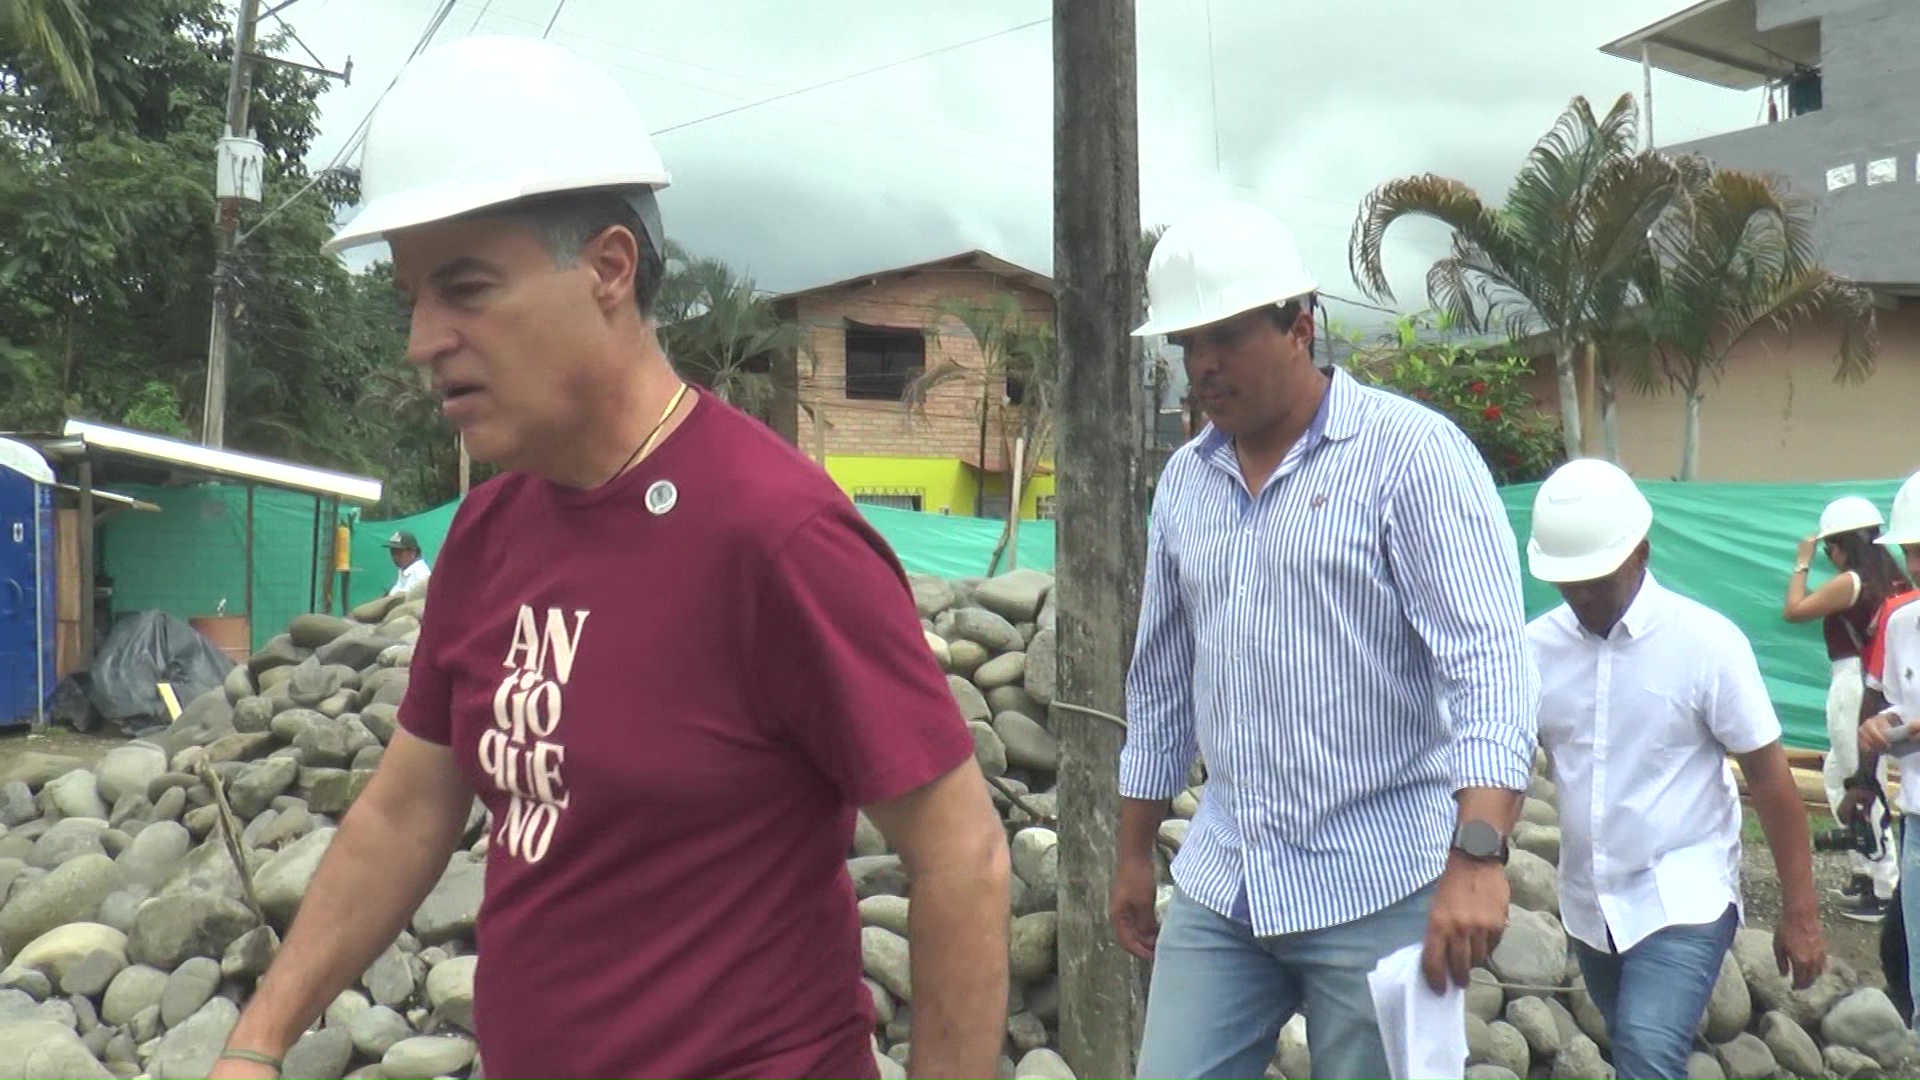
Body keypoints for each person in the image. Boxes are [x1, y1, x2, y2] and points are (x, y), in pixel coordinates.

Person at [208, 35, 1010, 1080]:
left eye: (466, 288)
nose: (422, 338)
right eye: (413, 297)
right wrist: (258, 1042)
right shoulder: (490, 536)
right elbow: (407, 811)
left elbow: (964, 858)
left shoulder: (776, 535)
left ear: (608, 269)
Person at [1112, 201, 1540, 1080]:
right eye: (1186, 344)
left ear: (1301, 325)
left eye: (1226, 335)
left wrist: (1479, 856)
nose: (1203, 365)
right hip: (1225, 878)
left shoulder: (1410, 457)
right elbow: (1160, 681)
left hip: (1382, 884)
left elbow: (1487, 662)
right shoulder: (1186, 484)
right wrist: (1131, 851)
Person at [1526, 458, 1826, 1079]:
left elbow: (1770, 777)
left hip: (1684, 891)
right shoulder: (1535, 652)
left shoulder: (1706, 644)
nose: (1581, 596)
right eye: (1567, 582)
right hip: (1590, 901)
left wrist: (1800, 910)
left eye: (1595, 579)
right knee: (1636, 1044)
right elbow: (1495, 765)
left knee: (1644, 1045)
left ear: (1640, 551)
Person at [1782, 495, 1909, 919]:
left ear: (1841, 545)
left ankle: (1885, 885)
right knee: (1840, 771)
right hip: (1874, 678)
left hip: (1854, 681)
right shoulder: (1894, 579)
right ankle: (1865, 868)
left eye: (1827, 548)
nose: (1826, 557)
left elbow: (1794, 610)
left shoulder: (1852, 581)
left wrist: (1801, 562)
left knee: (1861, 777)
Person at [1857, 470, 1920, 1032]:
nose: (1916, 564)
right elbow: (1896, 706)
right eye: (1910, 552)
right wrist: (1882, 728)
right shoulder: (1904, 622)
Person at [382, 529, 431, 598]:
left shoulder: (421, 576)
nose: (394, 556)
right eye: (392, 552)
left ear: (413, 551)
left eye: (399, 552)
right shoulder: (404, 568)